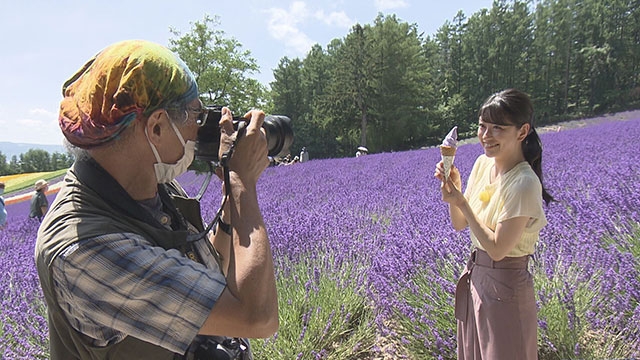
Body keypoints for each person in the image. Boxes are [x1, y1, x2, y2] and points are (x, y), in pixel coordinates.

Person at [34, 40, 278, 360]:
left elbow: (210, 276)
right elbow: (257, 318)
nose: (202, 127)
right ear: (157, 127)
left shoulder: (150, 187)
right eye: (197, 114)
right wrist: (243, 183)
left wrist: (231, 199)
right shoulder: (83, 248)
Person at [434, 88, 553, 359]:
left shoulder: (523, 183)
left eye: (497, 128)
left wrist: (462, 201)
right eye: (482, 126)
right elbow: (459, 224)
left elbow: (499, 249)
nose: (486, 136)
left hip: (507, 288)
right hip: (477, 279)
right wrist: (455, 189)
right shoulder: (482, 165)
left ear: (522, 131)